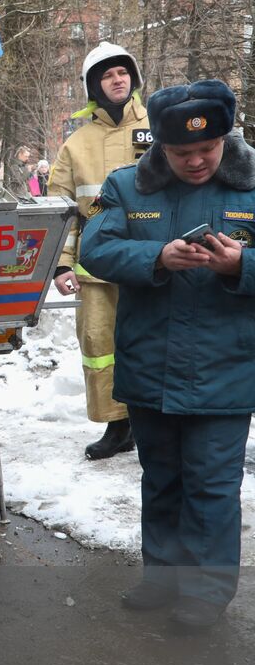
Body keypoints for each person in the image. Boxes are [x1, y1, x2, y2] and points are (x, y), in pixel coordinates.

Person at [80, 79, 255, 631]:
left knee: (210, 482)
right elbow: (96, 248)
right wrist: (157, 256)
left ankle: (205, 592)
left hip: (227, 367)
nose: (197, 161)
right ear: (160, 146)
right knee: (161, 477)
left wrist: (240, 267)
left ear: (225, 137)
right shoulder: (129, 185)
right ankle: (162, 575)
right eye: (182, 153)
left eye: (208, 149)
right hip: (150, 364)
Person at [49, 42, 150, 460]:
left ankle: (155, 423)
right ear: (94, 84)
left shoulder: (158, 127)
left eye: (123, 72)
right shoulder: (77, 144)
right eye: (108, 75)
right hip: (95, 266)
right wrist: (61, 263)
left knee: (149, 343)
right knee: (98, 343)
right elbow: (62, 209)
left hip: (151, 262)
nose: (117, 79)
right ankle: (117, 424)